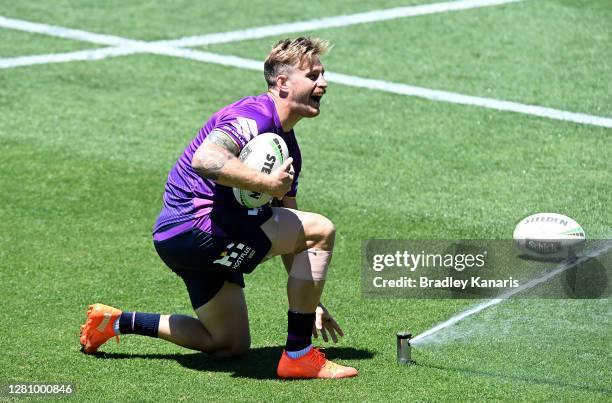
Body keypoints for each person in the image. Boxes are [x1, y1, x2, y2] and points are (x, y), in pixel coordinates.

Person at [79, 37, 358, 379]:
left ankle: (116, 322)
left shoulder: (289, 149)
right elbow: (206, 159)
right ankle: (299, 355)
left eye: (323, 74)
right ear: (282, 83)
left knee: (228, 343)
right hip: (199, 227)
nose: (323, 83)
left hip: (180, 240)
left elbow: (296, 228)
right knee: (323, 230)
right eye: (313, 75)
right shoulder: (252, 117)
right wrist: (267, 184)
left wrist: (310, 300)